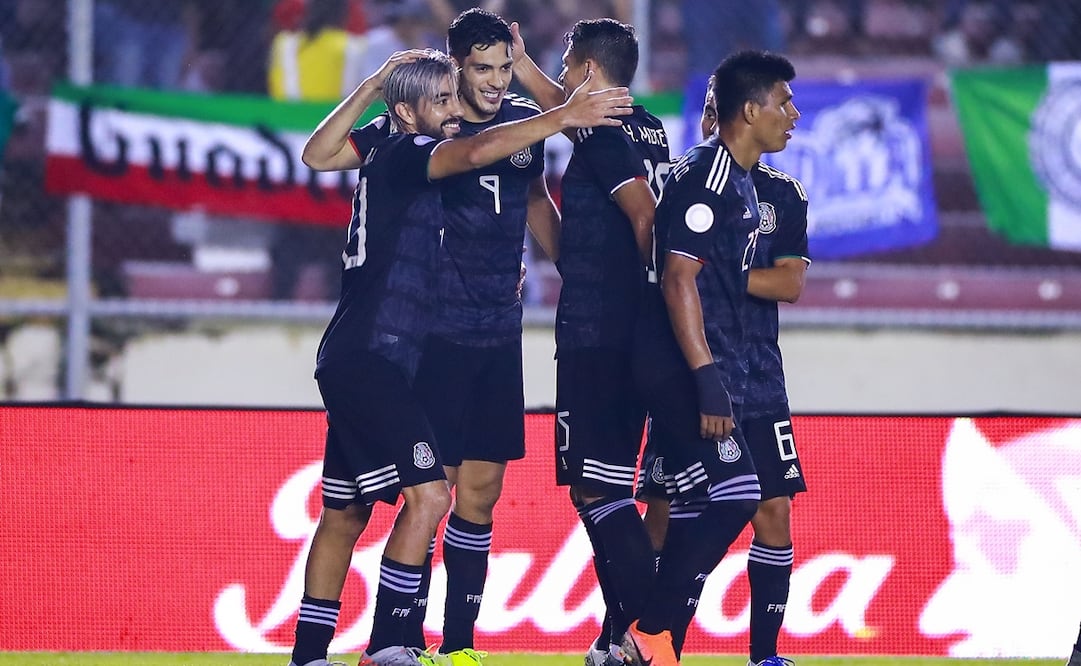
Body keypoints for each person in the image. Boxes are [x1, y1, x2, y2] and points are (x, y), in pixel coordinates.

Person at [288, 50, 633, 666]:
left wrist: (374, 85)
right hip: (378, 354)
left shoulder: (382, 150)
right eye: (442, 101)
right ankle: (392, 644)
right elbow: (472, 153)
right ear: (407, 112)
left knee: (345, 509)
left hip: (360, 351)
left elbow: (317, 154)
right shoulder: (407, 154)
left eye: (455, 98)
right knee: (430, 497)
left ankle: (309, 654)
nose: (454, 113)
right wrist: (563, 116)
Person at [344, 9, 561, 665]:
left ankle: (460, 647)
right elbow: (327, 155)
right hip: (434, 331)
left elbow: (533, 203)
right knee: (428, 493)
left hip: (499, 328)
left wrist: (572, 267)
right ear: (454, 65)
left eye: (503, 68)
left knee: (482, 491)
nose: (495, 82)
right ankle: (395, 640)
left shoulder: (523, 129)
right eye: (482, 69)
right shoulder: (421, 126)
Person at [627, 50, 800, 666]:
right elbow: (678, 278)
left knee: (725, 499)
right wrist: (705, 378)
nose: (792, 115)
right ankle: (647, 632)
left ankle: (652, 641)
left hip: (728, 369)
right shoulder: (706, 176)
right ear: (750, 110)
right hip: (690, 369)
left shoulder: (745, 182)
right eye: (782, 103)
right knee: (722, 498)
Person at [510, 18, 671, 666]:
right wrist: (532, 196)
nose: (564, 76)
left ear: (589, 72)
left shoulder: (601, 128)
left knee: (596, 492)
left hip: (601, 332)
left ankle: (650, 634)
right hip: (619, 325)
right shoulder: (647, 125)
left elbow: (643, 215)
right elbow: (578, 252)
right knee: (604, 487)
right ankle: (614, 641)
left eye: (568, 64)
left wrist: (651, 299)